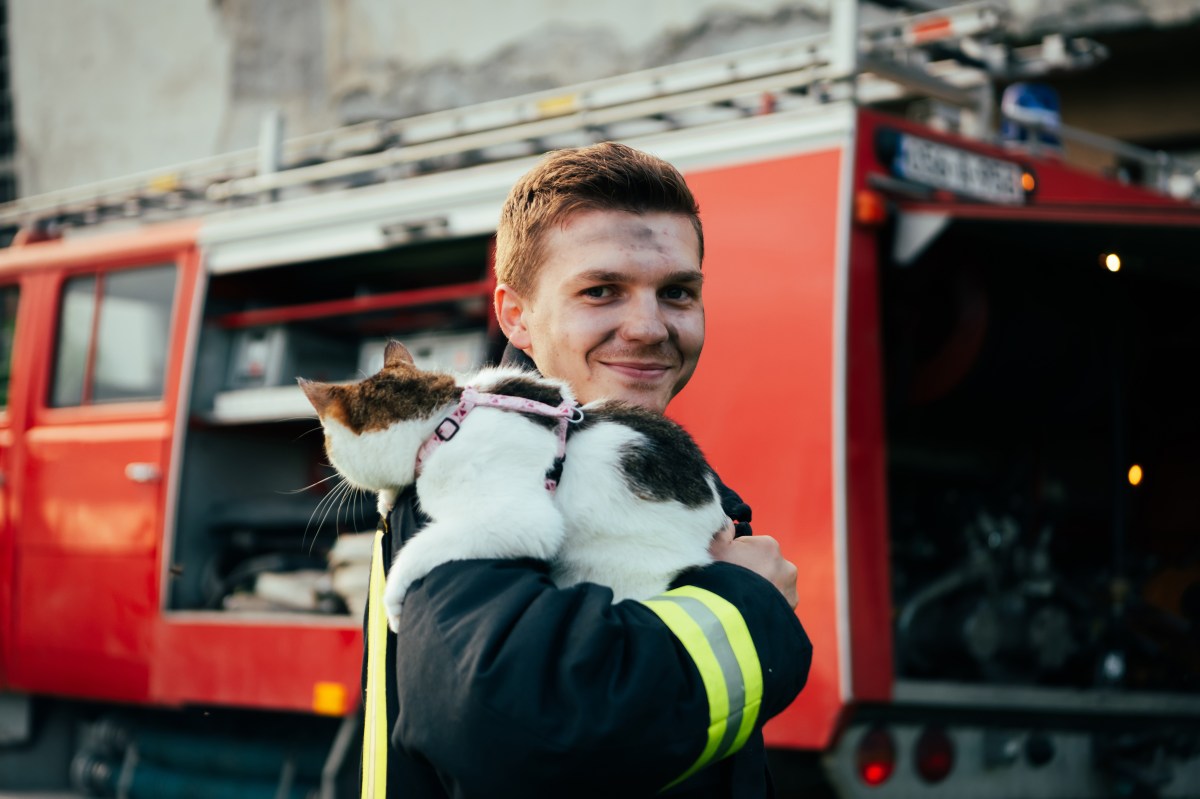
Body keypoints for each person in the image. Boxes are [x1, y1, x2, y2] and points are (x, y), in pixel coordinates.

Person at [361, 142, 812, 798]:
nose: (651, 326)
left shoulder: (634, 470)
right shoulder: (472, 467)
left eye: (677, 292)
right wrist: (746, 607)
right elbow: (517, 725)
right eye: (602, 291)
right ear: (515, 315)